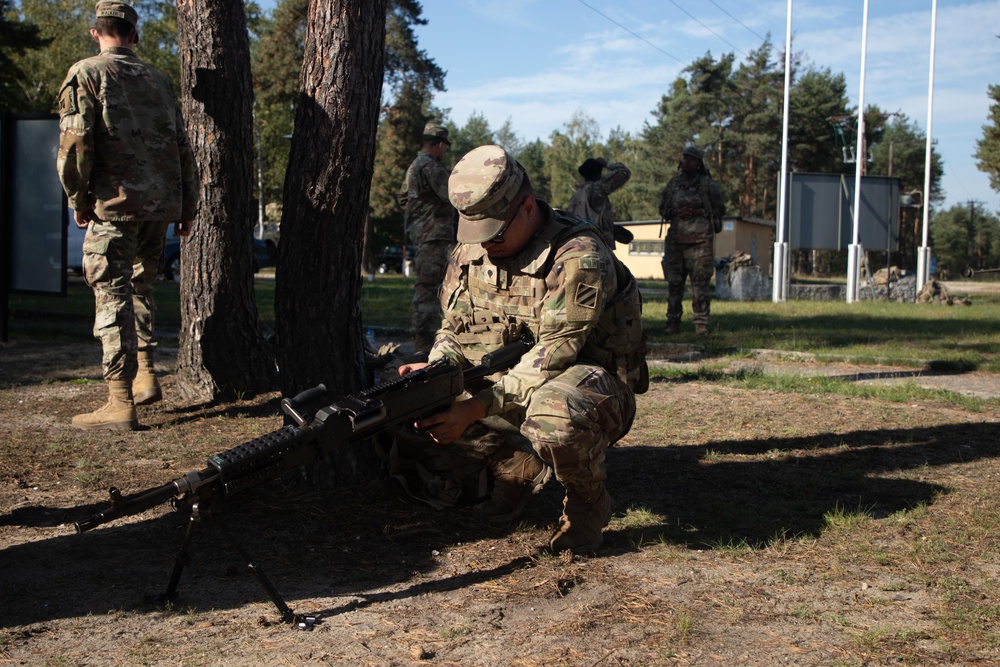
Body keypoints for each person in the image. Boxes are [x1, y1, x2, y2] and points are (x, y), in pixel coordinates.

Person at [398, 145, 647, 553]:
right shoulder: (471, 250)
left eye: (494, 231)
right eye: (475, 233)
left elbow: (556, 352)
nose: (484, 244)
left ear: (528, 207)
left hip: (587, 388)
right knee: (402, 392)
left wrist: (473, 408)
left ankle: (588, 504)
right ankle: (512, 464)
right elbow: (453, 327)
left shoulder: (578, 256)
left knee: (556, 412)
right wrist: (437, 372)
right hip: (506, 380)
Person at [56, 0, 198, 430]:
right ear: (133, 35)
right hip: (159, 206)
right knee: (141, 287)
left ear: (96, 32)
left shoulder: (87, 73)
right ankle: (147, 377)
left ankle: (120, 401)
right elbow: (182, 145)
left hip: (114, 206)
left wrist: (77, 198)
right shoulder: (158, 80)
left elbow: (76, 144)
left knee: (111, 293)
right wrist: (187, 205)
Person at [399, 121, 457, 353]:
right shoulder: (430, 167)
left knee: (427, 286)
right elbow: (454, 195)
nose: (444, 152)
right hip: (435, 236)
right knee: (431, 290)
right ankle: (425, 345)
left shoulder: (414, 167)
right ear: (440, 144)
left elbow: (404, 199)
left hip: (423, 235)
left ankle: (424, 342)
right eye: (444, 147)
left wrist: (419, 214)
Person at [658, 144, 726, 337]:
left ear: (698, 163)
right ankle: (672, 323)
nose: (686, 161)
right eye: (684, 158)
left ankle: (701, 325)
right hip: (676, 242)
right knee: (675, 284)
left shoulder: (707, 185)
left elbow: (720, 209)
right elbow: (662, 208)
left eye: (691, 159)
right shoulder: (673, 184)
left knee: (700, 285)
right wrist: (676, 212)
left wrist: (698, 211)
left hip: (700, 242)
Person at [566, 157, 633, 247]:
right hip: (597, 247)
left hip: (578, 246)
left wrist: (611, 228)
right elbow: (624, 172)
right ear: (599, 174)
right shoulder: (595, 191)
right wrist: (606, 164)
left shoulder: (576, 196)